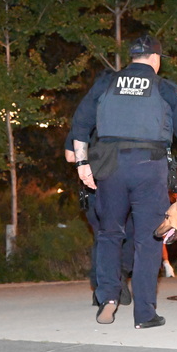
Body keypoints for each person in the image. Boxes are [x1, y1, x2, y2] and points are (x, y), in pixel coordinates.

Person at [71, 35, 177, 327]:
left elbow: (80, 124)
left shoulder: (106, 84)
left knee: (109, 233)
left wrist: (83, 164)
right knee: (149, 238)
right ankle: (144, 313)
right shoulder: (165, 88)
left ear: (131, 58)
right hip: (149, 166)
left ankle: (108, 297)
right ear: (156, 59)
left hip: (109, 165)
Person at [64, 129, 133, 306]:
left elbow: (71, 156)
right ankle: (117, 277)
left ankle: (103, 286)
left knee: (103, 237)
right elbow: (70, 156)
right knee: (125, 233)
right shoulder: (114, 120)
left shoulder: (85, 121)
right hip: (113, 184)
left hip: (94, 186)